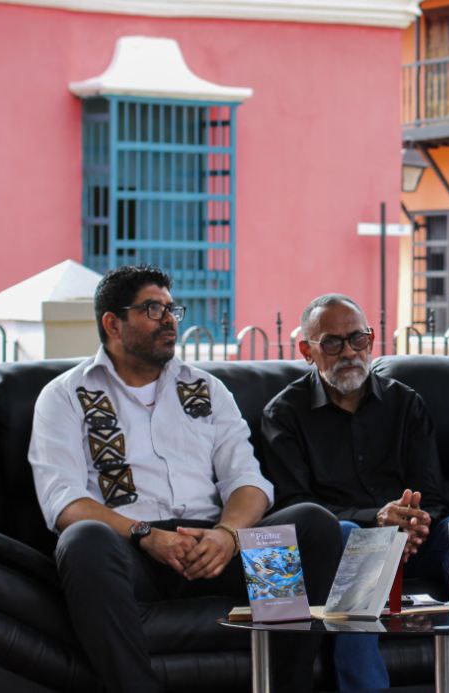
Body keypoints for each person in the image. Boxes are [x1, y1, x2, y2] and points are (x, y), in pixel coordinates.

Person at [27, 265, 341, 693]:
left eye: (172, 308)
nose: (170, 319)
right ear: (112, 322)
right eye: (153, 309)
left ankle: (284, 684)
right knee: (82, 540)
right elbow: (63, 500)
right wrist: (146, 536)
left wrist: (228, 536)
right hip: (131, 552)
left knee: (313, 523)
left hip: (214, 549)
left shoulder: (208, 389)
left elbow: (247, 482)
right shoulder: (65, 395)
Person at [261, 293, 449, 691]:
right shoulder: (283, 414)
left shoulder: (405, 403)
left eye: (359, 339)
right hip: (342, 546)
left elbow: (433, 496)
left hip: (411, 545)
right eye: (333, 343)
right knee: (343, 536)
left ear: (372, 341)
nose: (349, 352)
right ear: (307, 350)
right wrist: (375, 524)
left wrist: (413, 526)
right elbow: (294, 506)